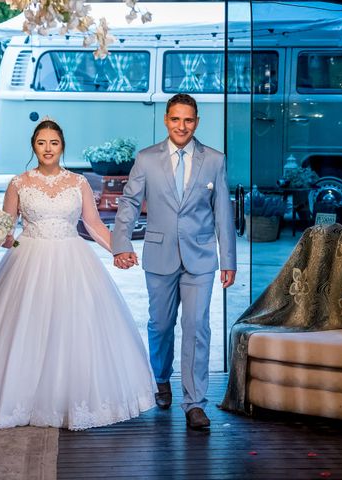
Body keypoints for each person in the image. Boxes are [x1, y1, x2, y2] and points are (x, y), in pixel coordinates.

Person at [0, 118, 155, 430]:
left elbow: (93, 225)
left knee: (73, 328)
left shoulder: (79, 183)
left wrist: (118, 249)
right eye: (42, 143)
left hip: (72, 256)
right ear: (34, 146)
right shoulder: (19, 183)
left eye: (54, 143)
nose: (48, 148)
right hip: (28, 257)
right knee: (24, 328)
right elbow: (9, 233)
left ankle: (70, 401)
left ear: (62, 147)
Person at [112, 93, 236, 431]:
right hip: (159, 254)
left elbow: (223, 211)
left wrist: (229, 258)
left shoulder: (214, 159)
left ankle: (195, 403)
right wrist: (120, 243)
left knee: (197, 327)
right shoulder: (147, 159)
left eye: (189, 120)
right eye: (175, 119)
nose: (182, 126)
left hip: (200, 258)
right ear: (166, 120)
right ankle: (161, 378)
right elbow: (129, 202)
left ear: (197, 122)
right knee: (161, 325)